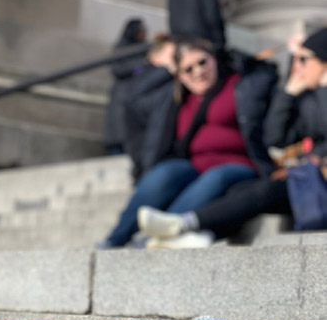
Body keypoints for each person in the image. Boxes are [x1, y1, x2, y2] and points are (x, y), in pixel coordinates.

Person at [137, 29, 327, 247]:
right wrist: (289, 93)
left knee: (259, 189)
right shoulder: (309, 99)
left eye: (304, 59)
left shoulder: (320, 96)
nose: (298, 66)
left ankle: (182, 224)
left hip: (319, 178)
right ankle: (202, 235)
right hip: (310, 178)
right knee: (242, 192)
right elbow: (276, 137)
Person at [99, 37, 277, 248]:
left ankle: (154, 237)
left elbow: (266, 76)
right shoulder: (175, 100)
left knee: (215, 177)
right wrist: (163, 68)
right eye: (188, 69)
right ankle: (115, 240)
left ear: (214, 60)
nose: (198, 72)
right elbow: (134, 98)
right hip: (194, 165)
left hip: (240, 166)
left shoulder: (242, 86)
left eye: (203, 62)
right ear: (179, 75)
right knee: (164, 174)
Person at [121, 34, 176, 181]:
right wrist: (169, 70)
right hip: (147, 159)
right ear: (155, 57)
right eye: (174, 55)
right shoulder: (149, 78)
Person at [105, 18, 148, 150]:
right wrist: (140, 68)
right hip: (122, 99)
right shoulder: (122, 48)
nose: (144, 34)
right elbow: (117, 69)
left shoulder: (145, 49)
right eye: (142, 31)